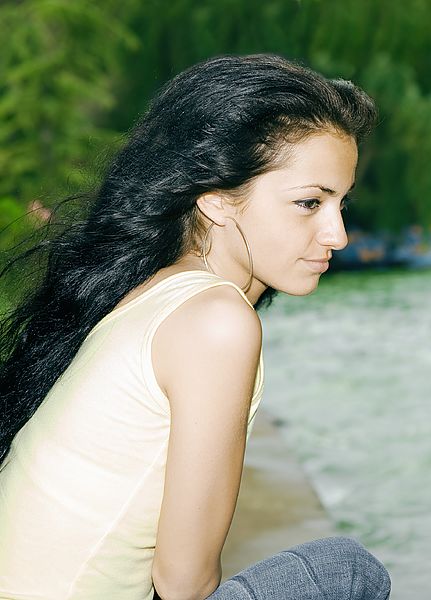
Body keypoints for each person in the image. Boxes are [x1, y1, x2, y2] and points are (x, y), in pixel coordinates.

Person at [0, 54, 390, 600]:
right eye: (309, 203)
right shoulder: (217, 324)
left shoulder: (154, 289)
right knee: (348, 570)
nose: (338, 234)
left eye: (340, 203)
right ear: (214, 197)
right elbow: (183, 582)